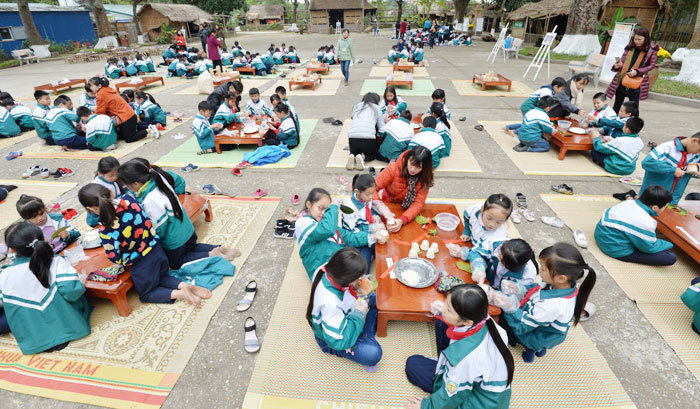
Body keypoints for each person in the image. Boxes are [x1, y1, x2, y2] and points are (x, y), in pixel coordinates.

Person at [78, 183, 211, 307]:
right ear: (110, 193)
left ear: (90, 208)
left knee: (147, 294)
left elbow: (114, 256)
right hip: (156, 250)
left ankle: (181, 294)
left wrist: (122, 259)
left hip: (141, 263)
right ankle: (184, 285)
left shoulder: (106, 230)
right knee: (162, 276)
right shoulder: (129, 200)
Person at [404, 284, 514, 409]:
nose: (443, 309)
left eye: (449, 309)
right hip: (483, 388)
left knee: (412, 365)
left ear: (467, 322)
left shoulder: (464, 359)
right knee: (441, 322)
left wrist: (427, 405)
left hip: (474, 402)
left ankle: (444, 369)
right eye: (446, 303)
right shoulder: (488, 321)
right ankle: (444, 365)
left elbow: (452, 395)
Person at [118, 160, 239, 269]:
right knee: (192, 248)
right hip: (187, 229)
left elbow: (160, 228)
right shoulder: (158, 178)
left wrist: (151, 240)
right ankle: (218, 249)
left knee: (177, 263)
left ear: (136, 184)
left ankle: (212, 255)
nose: (127, 188)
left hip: (176, 239)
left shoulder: (150, 200)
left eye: (127, 186)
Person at [0, 221, 91, 355]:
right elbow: (72, 293)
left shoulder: (4, 275)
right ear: (42, 240)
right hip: (69, 326)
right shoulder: (56, 262)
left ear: (12, 250)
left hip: (34, 339)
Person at [496, 243, 596, 362]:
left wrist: (509, 307)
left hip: (537, 333)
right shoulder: (565, 285)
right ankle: (538, 349)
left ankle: (530, 351)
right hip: (545, 329)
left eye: (543, 269)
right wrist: (519, 288)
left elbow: (524, 325)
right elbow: (536, 289)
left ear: (561, 278)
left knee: (504, 323)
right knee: (538, 342)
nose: (539, 270)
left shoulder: (553, 305)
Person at [308, 247, 382, 371]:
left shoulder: (331, 269)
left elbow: (349, 296)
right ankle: (364, 336)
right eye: (358, 277)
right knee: (373, 353)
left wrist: (357, 286)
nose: (361, 279)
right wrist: (359, 314)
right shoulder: (330, 302)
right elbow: (337, 341)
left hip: (346, 313)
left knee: (377, 298)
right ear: (347, 278)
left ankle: (363, 336)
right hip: (333, 339)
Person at [293, 188, 378, 279]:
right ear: (309, 204)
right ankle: (359, 278)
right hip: (326, 273)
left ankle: (360, 276)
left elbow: (349, 237)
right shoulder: (302, 223)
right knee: (361, 265)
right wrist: (333, 208)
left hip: (339, 262)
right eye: (320, 208)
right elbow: (328, 230)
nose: (323, 213)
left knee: (367, 245)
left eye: (326, 210)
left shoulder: (325, 223)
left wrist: (372, 237)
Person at [595, 185, 677, 266]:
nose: (665, 209)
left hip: (601, 235)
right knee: (670, 257)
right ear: (654, 208)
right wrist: (669, 244)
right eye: (665, 206)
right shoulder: (646, 221)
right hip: (614, 249)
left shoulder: (628, 202)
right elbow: (649, 248)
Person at [448, 194, 512, 280]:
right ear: (482, 210)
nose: (491, 224)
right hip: (474, 246)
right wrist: (467, 231)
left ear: (505, 220)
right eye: (489, 218)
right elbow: (467, 216)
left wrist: (479, 268)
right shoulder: (475, 210)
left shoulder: (497, 238)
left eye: (499, 222)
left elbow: (477, 254)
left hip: (485, 256)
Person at [372, 146, 434, 232]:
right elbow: (372, 189)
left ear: (425, 168)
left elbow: (418, 203)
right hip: (389, 206)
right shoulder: (393, 168)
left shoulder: (425, 178)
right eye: (411, 163)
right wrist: (380, 206)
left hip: (409, 210)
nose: (412, 169)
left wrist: (402, 220)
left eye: (418, 167)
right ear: (407, 158)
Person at [606, 27, 658, 114]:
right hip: (622, 80)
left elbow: (651, 65)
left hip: (637, 82)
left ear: (646, 39)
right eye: (635, 39)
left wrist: (637, 71)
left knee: (634, 108)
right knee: (617, 106)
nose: (637, 41)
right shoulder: (630, 47)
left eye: (639, 39)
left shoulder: (651, 50)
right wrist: (618, 65)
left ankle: (633, 123)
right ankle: (613, 121)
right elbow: (623, 61)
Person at [638, 133, 700, 204]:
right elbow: (647, 162)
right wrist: (672, 170)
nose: (698, 153)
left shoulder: (696, 155)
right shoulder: (667, 148)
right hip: (652, 197)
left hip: (673, 199)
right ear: (694, 140)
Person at [89, 77, 153, 143]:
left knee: (129, 139)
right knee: (122, 135)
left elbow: (100, 111)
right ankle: (144, 130)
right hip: (128, 114)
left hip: (126, 117)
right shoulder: (107, 89)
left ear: (99, 85)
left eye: (92, 86)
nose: (91, 88)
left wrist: (92, 118)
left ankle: (149, 130)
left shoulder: (101, 94)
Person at [341, 174, 380, 272]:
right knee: (362, 269)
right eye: (368, 194)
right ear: (357, 192)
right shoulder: (349, 208)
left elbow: (370, 212)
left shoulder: (366, 199)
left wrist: (376, 219)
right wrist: (371, 236)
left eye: (372, 193)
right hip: (357, 240)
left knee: (383, 254)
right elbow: (352, 234)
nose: (371, 197)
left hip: (368, 233)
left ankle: (372, 252)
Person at [16, 194, 80, 253]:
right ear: (25, 218)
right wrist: (41, 248)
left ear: (45, 209)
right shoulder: (26, 231)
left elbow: (77, 232)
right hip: (48, 258)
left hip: (68, 249)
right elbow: (25, 253)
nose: (40, 218)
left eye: (41, 213)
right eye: (33, 217)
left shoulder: (57, 219)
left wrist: (68, 234)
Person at [347, 93, 384, 169]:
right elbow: (382, 128)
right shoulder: (376, 108)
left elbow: (353, 118)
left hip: (352, 139)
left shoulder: (356, 106)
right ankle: (363, 158)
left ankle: (353, 155)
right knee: (372, 155)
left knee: (355, 151)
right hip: (368, 140)